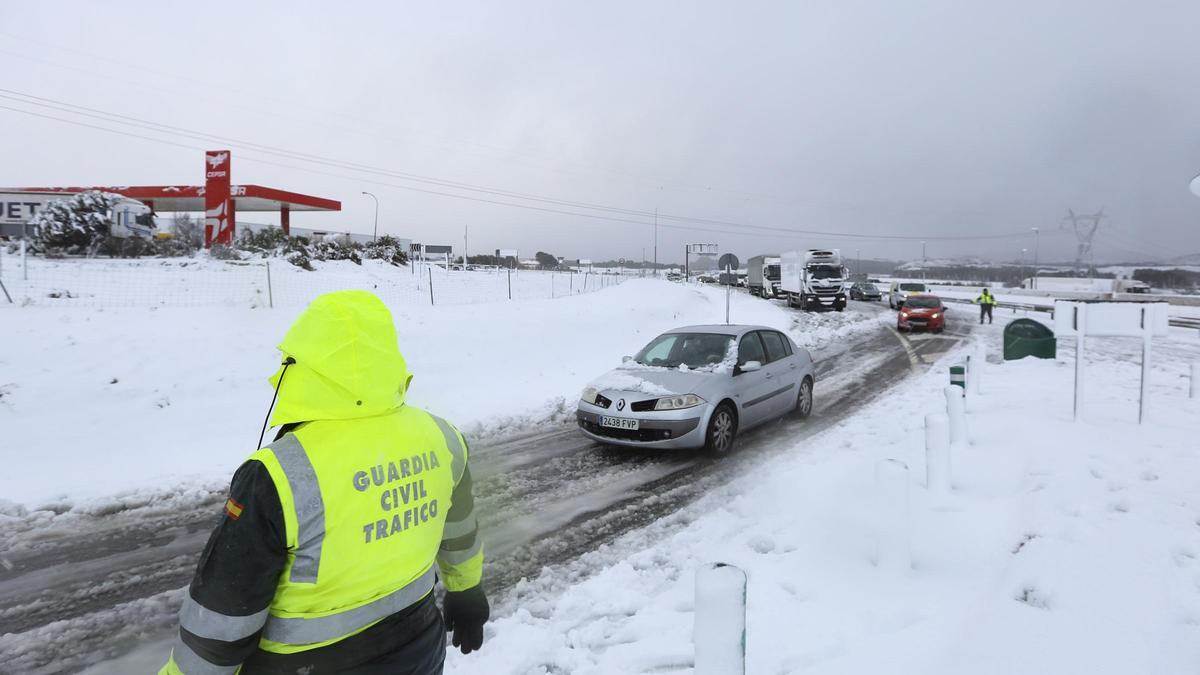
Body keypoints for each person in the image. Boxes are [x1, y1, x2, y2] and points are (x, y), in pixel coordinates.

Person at [160, 290, 488, 675]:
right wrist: (467, 591)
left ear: (301, 363)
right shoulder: (441, 436)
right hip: (418, 648)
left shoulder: (277, 473)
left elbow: (222, 615)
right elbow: (459, 529)